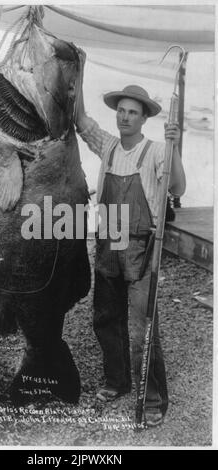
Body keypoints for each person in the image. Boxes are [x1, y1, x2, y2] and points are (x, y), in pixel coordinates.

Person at [75, 57, 186, 427]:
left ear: (144, 118)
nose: (125, 117)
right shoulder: (107, 147)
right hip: (108, 246)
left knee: (143, 328)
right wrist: (79, 69)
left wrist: (174, 148)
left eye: (132, 113)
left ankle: (153, 398)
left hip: (142, 251)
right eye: (121, 111)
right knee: (106, 319)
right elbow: (82, 122)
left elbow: (178, 187)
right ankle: (117, 380)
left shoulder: (155, 151)